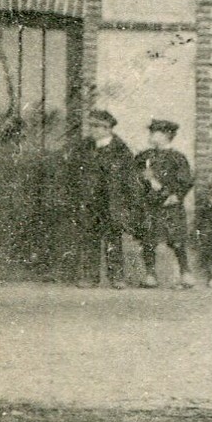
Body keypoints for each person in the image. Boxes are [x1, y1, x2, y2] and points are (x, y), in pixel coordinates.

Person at [65, 109, 140, 289]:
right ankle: (90, 277)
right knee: (89, 237)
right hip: (90, 200)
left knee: (113, 239)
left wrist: (129, 202)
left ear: (108, 129)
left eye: (97, 126)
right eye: (91, 126)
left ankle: (116, 277)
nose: (93, 130)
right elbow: (73, 173)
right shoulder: (84, 147)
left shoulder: (121, 150)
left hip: (112, 201)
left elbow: (130, 178)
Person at [134, 119, 195, 289]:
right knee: (148, 239)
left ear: (167, 135)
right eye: (151, 132)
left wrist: (175, 195)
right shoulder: (145, 156)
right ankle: (150, 275)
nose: (152, 136)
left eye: (156, 133)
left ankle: (185, 272)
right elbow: (133, 175)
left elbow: (185, 180)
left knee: (176, 240)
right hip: (150, 204)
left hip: (170, 204)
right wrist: (143, 178)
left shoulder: (177, 158)